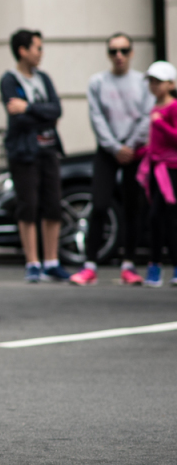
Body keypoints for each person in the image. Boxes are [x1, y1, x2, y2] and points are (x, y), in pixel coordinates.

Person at [70, 33, 152, 286]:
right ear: (108, 54)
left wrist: (129, 145)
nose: (119, 56)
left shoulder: (142, 82)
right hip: (108, 151)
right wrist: (115, 147)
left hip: (134, 150)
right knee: (100, 204)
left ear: (131, 53)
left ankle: (129, 265)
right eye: (114, 51)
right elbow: (97, 118)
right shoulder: (98, 82)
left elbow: (147, 116)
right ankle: (90, 265)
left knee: (131, 207)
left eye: (124, 50)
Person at [0, 29, 69, 283]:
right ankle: (33, 262)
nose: (41, 53)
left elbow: (56, 110)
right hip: (24, 152)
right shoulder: (9, 80)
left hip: (49, 150)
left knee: (53, 204)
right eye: (37, 48)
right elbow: (16, 117)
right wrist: (41, 114)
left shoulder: (44, 79)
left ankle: (51, 261)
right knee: (28, 205)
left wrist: (28, 107)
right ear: (23, 50)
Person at [136, 61, 177, 286]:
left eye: (158, 81)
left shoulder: (172, 108)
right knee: (154, 220)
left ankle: (171, 265)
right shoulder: (154, 108)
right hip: (154, 168)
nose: (153, 85)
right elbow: (156, 144)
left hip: (171, 170)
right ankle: (155, 265)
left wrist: (160, 124)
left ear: (171, 84)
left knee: (167, 218)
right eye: (151, 81)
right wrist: (142, 152)